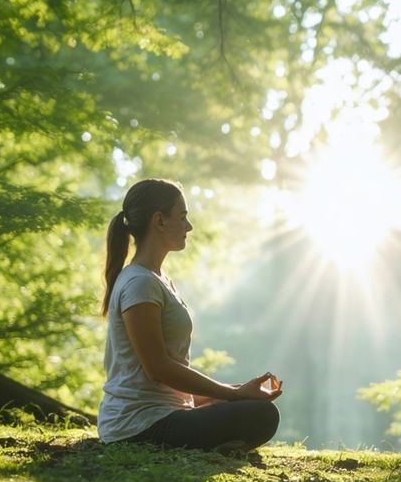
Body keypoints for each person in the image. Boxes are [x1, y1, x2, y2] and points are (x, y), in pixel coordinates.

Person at [97, 178, 281, 452]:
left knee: (252, 406)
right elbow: (157, 368)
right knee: (261, 415)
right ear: (159, 221)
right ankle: (221, 444)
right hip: (139, 425)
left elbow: (163, 381)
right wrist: (232, 394)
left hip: (163, 414)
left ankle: (223, 442)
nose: (189, 226)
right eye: (182, 217)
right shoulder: (140, 284)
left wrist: (235, 392)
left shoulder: (155, 280)